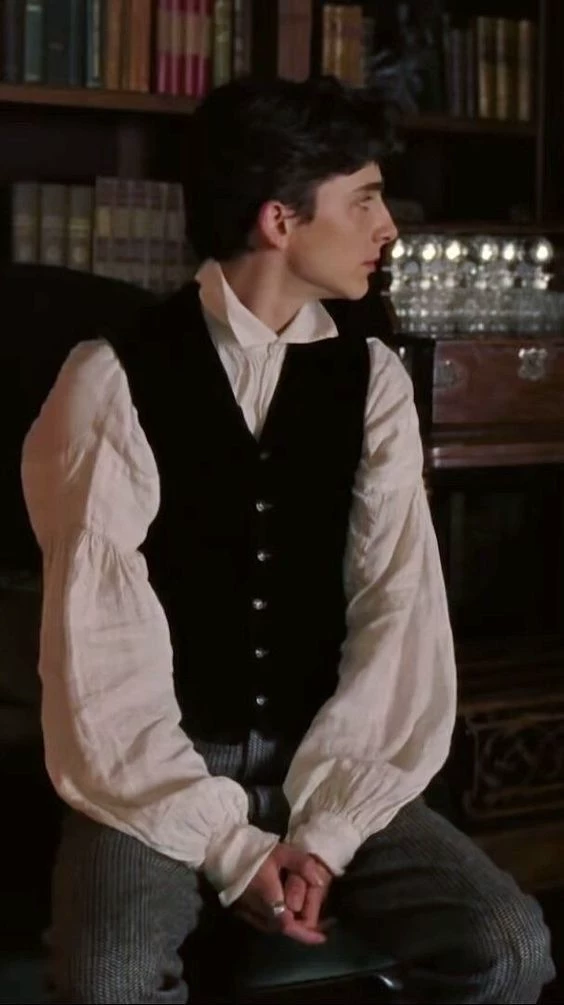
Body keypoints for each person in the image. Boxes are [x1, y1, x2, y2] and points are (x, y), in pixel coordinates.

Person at [22, 76, 553, 1004]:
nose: (389, 227)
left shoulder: (373, 378)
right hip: (154, 769)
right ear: (279, 219)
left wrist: (329, 831)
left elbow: (397, 612)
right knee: (109, 980)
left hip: (332, 762)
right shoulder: (110, 378)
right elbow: (100, 656)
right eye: (365, 199)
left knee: (508, 947)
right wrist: (231, 847)